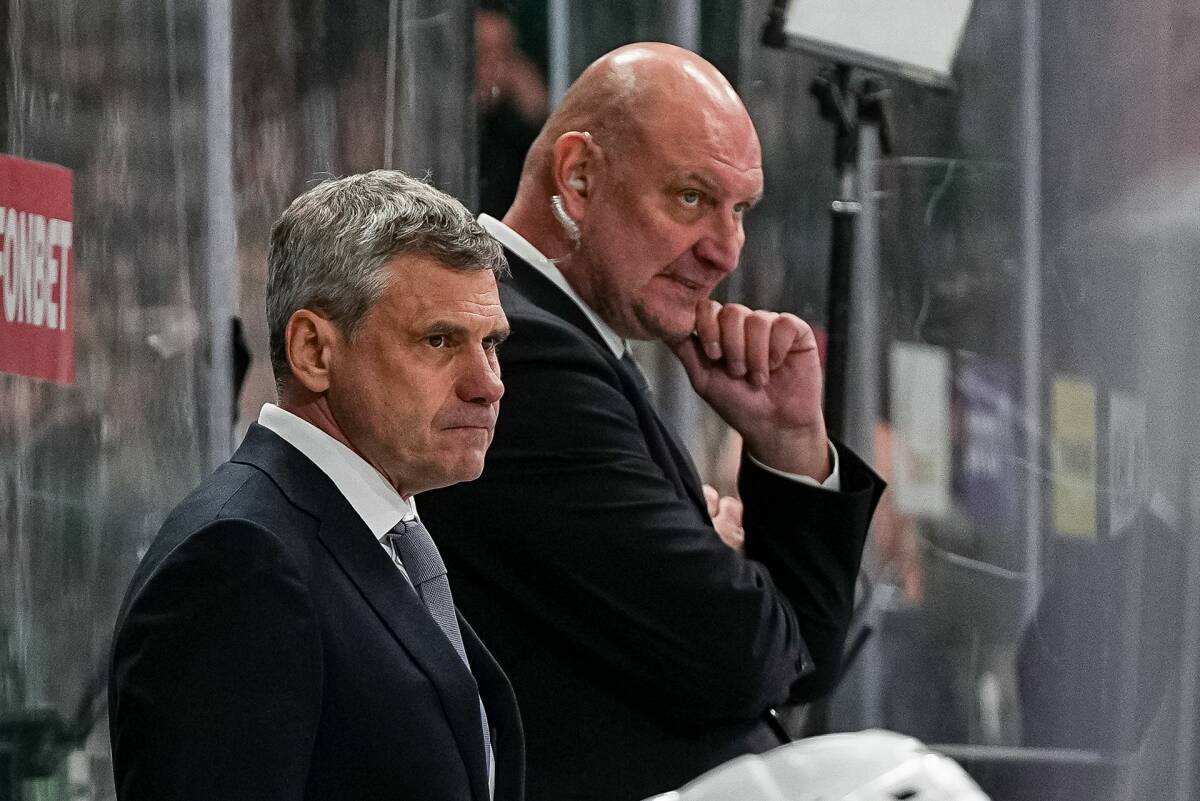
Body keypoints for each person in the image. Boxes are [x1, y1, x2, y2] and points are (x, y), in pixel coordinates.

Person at [418, 43, 884, 801]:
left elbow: (799, 665)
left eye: (741, 210)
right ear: (579, 177)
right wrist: (722, 560)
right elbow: (740, 657)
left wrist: (790, 446)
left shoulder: (566, 336)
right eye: (692, 198)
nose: (726, 250)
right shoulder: (518, 350)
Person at [108, 170, 523, 801]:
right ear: (314, 351)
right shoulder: (238, 561)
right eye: (439, 340)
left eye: (491, 343)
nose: (488, 383)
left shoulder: (376, 533)